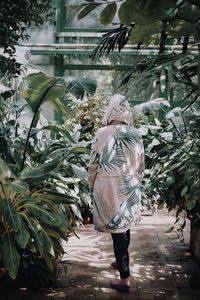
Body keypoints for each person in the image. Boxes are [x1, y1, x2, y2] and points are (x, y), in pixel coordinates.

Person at [87, 94, 145, 293]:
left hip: (108, 187)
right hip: (130, 185)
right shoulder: (136, 133)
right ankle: (121, 262)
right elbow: (141, 165)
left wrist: (90, 184)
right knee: (124, 225)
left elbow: (93, 163)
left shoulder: (102, 133)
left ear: (110, 110)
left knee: (117, 232)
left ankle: (124, 279)